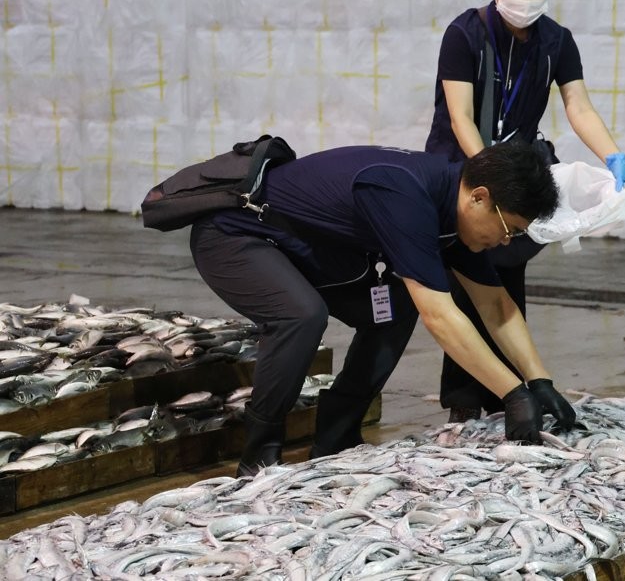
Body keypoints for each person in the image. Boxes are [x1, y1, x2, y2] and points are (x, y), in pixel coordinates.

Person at [188, 140, 577, 477]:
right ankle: (259, 454)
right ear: (479, 197)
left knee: (394, 307)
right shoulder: (405, 194)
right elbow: (439, 315)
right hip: (235, 234)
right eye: (508, 230)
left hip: (304, 246)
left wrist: (538, 380)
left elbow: (495, 304)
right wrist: (511, 393)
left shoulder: (455, 212)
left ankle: (336, 437)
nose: (507, 243)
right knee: (301, 316)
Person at [424, 0, 625, 422]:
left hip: (516, 173)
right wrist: (487, 174)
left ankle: (510, 395)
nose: (527, 1)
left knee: (508, 275)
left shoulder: (556, 40)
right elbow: (461, 117)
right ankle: (463, 401)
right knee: (465, 283)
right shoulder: (465, 34)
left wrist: (613, 156)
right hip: (463, 172)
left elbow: (577, 104)